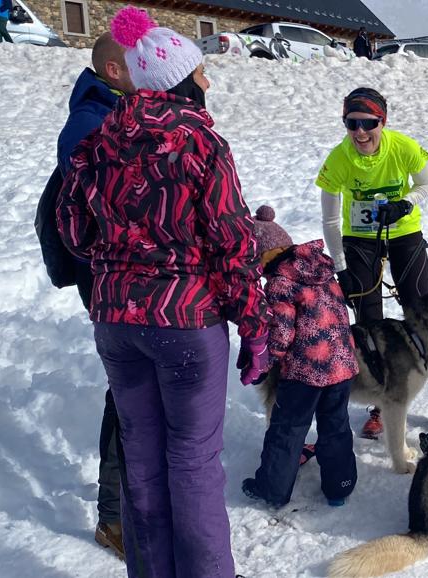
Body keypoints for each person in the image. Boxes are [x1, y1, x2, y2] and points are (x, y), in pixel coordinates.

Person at [56, 7, 269, 577]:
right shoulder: (200, 141)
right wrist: (254, 327)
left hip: (116, 324)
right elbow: (231, 243)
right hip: (185, 324)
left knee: (142, 460)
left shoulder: (96, 141)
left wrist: (124, 253)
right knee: (194, 464)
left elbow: (74, 232)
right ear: (176, 78)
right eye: (200, 71)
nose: (207, 80)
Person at [315, 87, 428, 439]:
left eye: (368, 123)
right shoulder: (339, 159)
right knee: (370, 324)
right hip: (360, 239)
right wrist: (341, 268)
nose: (360, 132)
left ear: (382, 122)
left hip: (404, 233)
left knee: (423, 316)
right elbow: (330, 222)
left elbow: (426, 183)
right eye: (351, 124)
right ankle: (379, 404)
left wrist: (405, 203)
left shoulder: (401, 147)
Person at [50, 30, 136, 560]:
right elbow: (90, 216)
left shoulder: (116, 112)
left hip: (129, 283)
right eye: (137, 62)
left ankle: (132, 501)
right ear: (113, 71)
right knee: (125, 393)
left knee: (134, 392)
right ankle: (112, 517)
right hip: (112, 285)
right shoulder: (88, 125)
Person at [241, 207, 359, 508]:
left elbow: (281, 333)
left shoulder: (281, 282)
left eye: (254, 258)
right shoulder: (322, 271)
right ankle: (339, 488)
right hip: (342, 366)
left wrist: (266, 363)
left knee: (287, 430)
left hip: (305, 372)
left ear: (266, 254)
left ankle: (273, 490)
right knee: (336, 427)